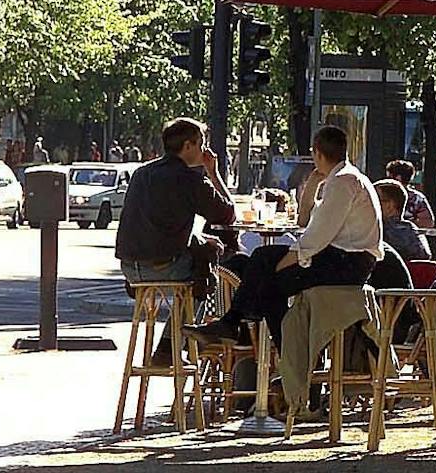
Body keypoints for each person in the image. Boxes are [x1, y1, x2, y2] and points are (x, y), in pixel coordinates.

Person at [188, 125, 381, 349]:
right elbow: (305, 222)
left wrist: (282, 264)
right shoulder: (343, 178)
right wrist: (311, 188)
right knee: (252, 264)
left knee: (266, 278)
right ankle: (243, 329)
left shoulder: (343, 181)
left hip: (347, 263)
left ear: (317, 153)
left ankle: (261, 339)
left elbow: (314, 238)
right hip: (343, 259)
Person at [114, 119, 233, 285]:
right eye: (201, 143)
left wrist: (199, 239)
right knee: (210, 253)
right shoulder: (190, 179)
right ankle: (193, 311)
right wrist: (214, 174)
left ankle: (166, 311)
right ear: (187, 146)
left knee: (202, 244)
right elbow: (228, 214)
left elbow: (159, 229)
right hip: (167, 268)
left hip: (129, 268)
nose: (204, 150)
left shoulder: (141, 173)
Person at [375, 179, 433, 262]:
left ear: (390, 205)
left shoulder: (381, 231)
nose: (370, 204)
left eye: (375, 200)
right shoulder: (412, 229)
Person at [384, 160, 436, 231]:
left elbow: (428, 222)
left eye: (389, 177)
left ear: (398, 177)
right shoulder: (383, 194)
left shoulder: (416, 199)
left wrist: (406, 224)